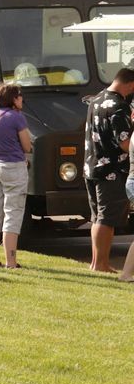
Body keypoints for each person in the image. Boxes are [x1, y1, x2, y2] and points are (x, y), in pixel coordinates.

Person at [83, 67, 134, 273]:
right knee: (107, 219)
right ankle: (101, 264)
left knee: (97, 217)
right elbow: (125, 143)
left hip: (92, 165)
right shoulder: (119, 106)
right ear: (130, 84)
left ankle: (96, 262)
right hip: (111, 170)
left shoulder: (96, 99)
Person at [0, 84, 32, 269]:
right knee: (12, 212)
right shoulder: (16, 117)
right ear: (13, 99)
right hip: (12, 167)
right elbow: (27, 146)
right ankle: (11, 261)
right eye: (20, 97)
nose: (22, 100)